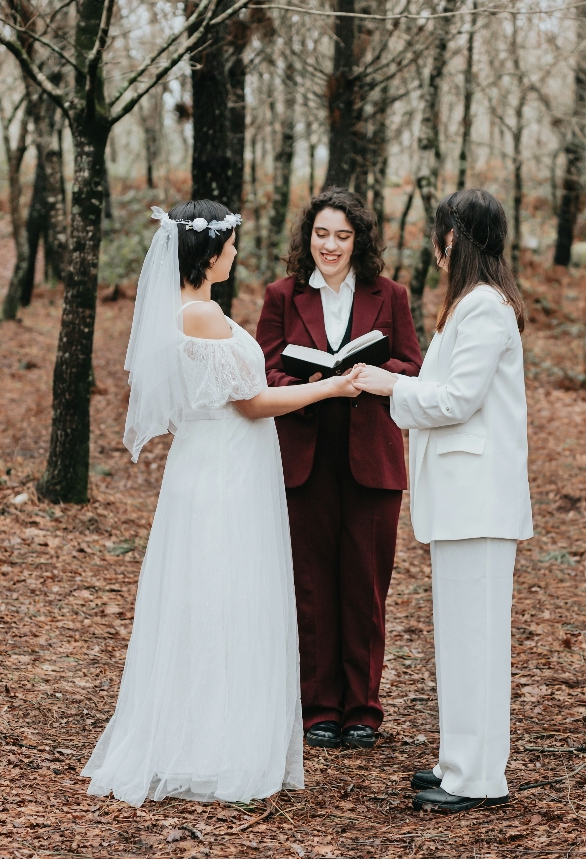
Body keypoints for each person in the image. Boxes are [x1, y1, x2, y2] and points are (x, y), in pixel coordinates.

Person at [82, 201, 363, 806]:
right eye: (231, 245)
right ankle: (213, 746)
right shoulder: (201, 314)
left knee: (210, 596)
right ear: (209, 254)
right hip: (223, 474)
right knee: (222, 597)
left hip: (215, 464)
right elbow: (253, 402)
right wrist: (333, 385)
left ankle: (205, 735)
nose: (236, 253)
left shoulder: (189, 310)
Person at [352, 188, 532, 813]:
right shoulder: (469, 306)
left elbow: (456, 399)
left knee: (476, 640)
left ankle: (480, 778)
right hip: (462, 500)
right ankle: (459, 763)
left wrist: (387, 385)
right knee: (459, 639)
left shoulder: (485, 308)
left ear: (457, 239)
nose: (436, 247)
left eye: (442, 234)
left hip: (478, 500)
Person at [255, 189, 423, 751]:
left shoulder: (391, 295)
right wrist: (308, 385)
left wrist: (372, 371)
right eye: (322, 234)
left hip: (371, 460)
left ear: (360, 242)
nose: (330, 245)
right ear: (309, 237)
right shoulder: (282, 296)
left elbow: (412, 366)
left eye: (343, 236)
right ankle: (318, 708)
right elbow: (263, 373)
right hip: (304, 456)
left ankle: (363, 710)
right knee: (311, 586)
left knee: (365, 587)